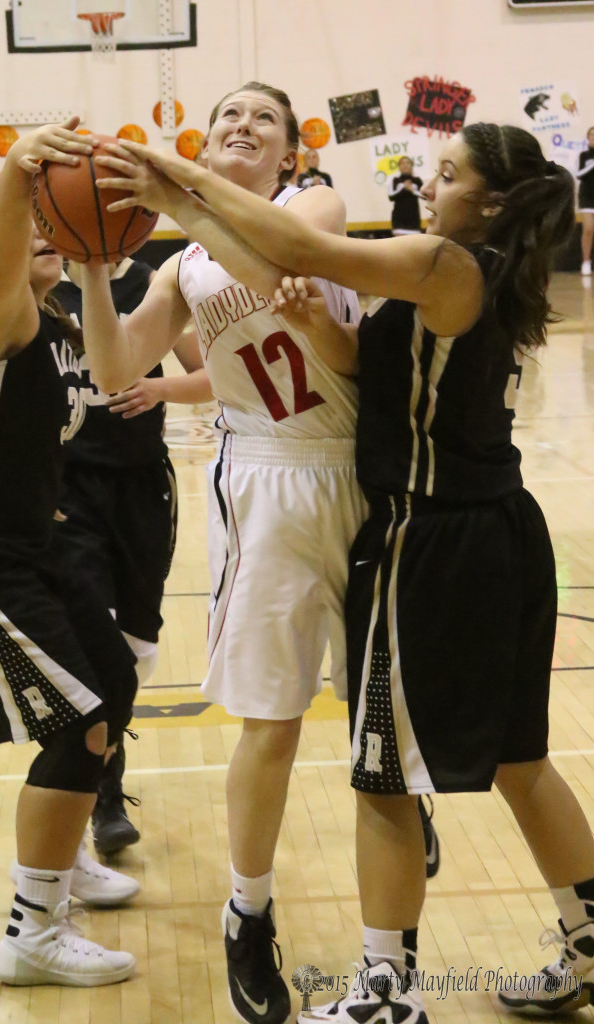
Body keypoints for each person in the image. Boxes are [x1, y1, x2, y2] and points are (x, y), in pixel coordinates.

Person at [112, 123, 594, 1021]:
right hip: (504, 529)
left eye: (445, 174)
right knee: (521, 759)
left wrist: (170, 180)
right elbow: (367, 364)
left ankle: (386, 991)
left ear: (485, 201)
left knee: (382, 776)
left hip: (430, 539)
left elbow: (296, 242)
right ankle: (589, 938)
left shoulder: (443, 263)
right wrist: (302, 320)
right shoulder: (489, 273)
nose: (427, 183)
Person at [72, 81, 368, 1024]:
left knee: (385, 706)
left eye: (261, 121)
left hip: (370, 470)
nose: (240, 126)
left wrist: (179, 192)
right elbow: (119, 368)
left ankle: (402, 835)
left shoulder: (311, 202)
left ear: (288, 152)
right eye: (225, 117)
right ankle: (249, 911)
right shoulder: (181, 264)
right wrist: (89, 265)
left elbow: (287, 250)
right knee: (271, 716)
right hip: (268, 480)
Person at [0, 120, 139, 987]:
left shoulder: (55, 324)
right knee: (76, 726)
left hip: (30, 543)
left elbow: (121, 378)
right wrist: (17, 174)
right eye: (31, 220)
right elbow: (4, 255)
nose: (46, 228)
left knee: (111, 681)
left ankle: (62, 856)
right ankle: (32, 932)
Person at [51, 256, 211, 856]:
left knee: (136, 651)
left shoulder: (155, 283)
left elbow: (217, 373)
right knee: (95, 645)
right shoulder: (41, 291)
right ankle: (102, 791)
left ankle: (100, 764)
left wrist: (160, 387)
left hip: (142, 486)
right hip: (67, 489)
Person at [388, 156, 423, 235]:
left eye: (408, 163)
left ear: (412, 165)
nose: (405, 165)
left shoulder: (417, 180)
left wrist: (412, 190)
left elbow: (425, 196)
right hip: (399, 221)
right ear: (399, 167)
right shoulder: (395, 180)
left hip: (414, 221)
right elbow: (391, 197)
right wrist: (403, 188)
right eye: (402, 163)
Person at [577, 126, 594, 276]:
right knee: (588, 228)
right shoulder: (584, 156)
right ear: (588, 138)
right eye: (592, 135)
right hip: (587, 197)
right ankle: (586, 261)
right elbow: (579, 174)